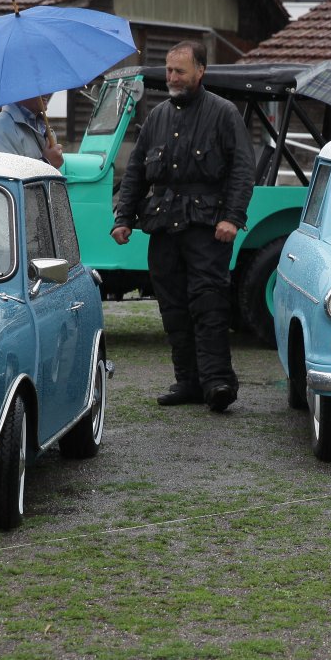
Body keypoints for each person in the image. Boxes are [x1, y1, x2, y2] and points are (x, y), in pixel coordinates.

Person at [111, 41, 255, 412]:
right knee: (173, 308)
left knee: (208, 304)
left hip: (207, 227)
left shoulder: (224, 113)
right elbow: (136, 172)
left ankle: (218, 382)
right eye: (169, 70)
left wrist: (232, 217)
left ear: (200, 71)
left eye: (180, 71)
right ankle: (188, 382)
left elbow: (242, 169)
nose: (172, 77)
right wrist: (123, 218)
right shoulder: (157, 117)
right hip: (163, 227)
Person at [0, 92, 64, 168]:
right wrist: (47, 163)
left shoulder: (45, 128)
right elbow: (3, 176)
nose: (48, 92)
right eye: (39, 85)